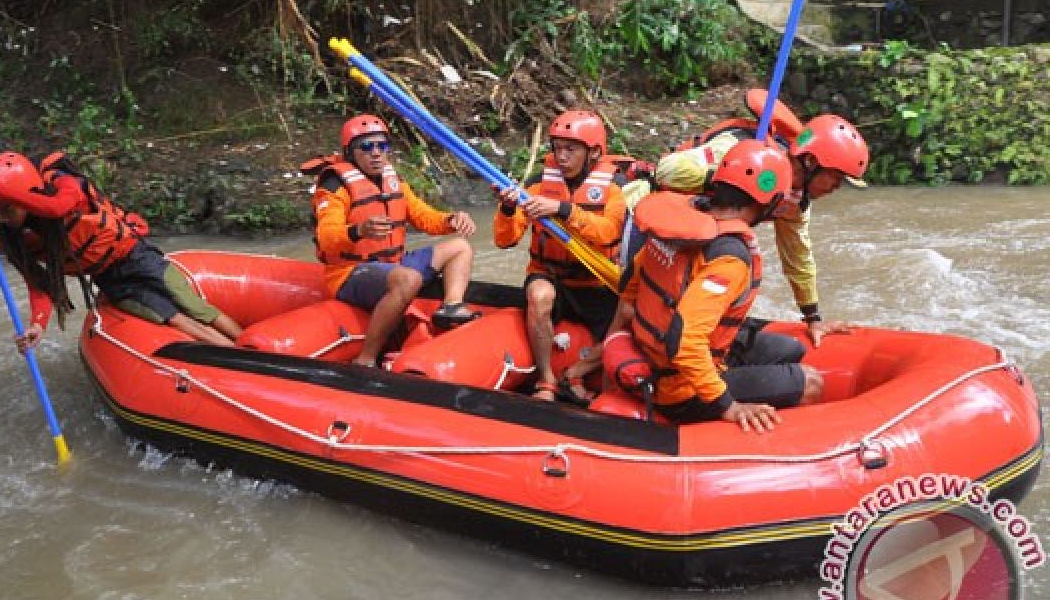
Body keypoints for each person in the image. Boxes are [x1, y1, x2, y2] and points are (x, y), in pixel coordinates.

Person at [604, 139, 824, 432]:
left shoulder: (676, 224)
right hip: (679, 387)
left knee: (790, 350)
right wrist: (728, 406)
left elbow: (630, 291)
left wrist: (607, 349)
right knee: (811, 382)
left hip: (659, 353)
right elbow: (685, 341)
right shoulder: (729, 257)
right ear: (770, 202)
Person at [625, 109, 869, 349]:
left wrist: (813, 318)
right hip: (639, 216)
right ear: (811, 161)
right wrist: (734, 178)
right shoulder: (742, 150)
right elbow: (667, 170)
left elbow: (798, 257)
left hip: (687, 238)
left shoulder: (795, 201)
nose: (837, 187)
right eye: (836, 177)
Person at [0, 152, 243, 350]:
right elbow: (39, 287)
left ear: (27, 196)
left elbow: (56, 208)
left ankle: (248, 345)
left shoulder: (63, 183)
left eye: (7, 208)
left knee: (195, 308)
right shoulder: (18, 239)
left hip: (136, 256)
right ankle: (239, 360)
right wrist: (37, 327)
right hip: (111, 280)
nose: (2, 217)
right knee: (178, 320)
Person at [306, 114, 478, 367]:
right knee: (408, 278)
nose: (376, 153)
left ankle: (451, 306)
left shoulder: (393, 180)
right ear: (351, 152)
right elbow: (327, 237)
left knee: (460, 247)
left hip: (393, 264)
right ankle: (366, 358)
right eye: (366, 147)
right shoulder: (334, 186)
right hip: (349, 272)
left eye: (382, 146)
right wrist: (359, 230)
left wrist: (450, 220)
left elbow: (423, 216)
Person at [493, 110, 626, 403]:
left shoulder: (616, 188)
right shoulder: (539, 183)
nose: (562, 156)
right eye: (557, 148)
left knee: (632, 320)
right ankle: (546, 381)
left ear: (593, 153)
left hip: (596, 279)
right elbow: (505, 240)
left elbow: (608, 233)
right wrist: (506, 209)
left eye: (571, 149)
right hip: (550, 274)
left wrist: (563, 210)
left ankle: (579, 371)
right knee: (539, 296)